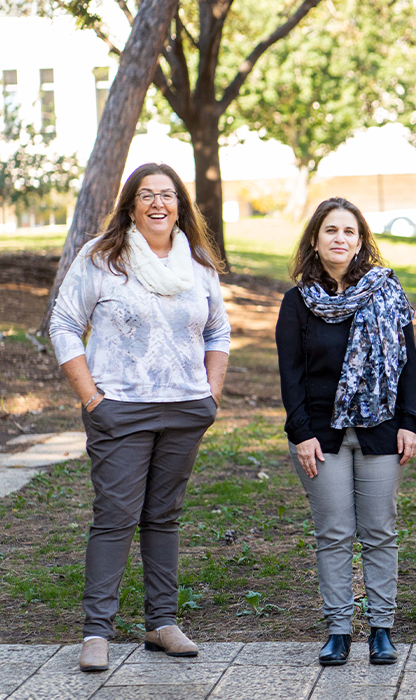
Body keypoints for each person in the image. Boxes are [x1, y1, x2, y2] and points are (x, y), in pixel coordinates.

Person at [49, 163, 229, 671]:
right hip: (119, 410)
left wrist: (210, 394)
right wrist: (91, 398)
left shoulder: (197, 262)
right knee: (115, 517)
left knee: (163, 517)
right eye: (147, 195)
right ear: (131, 205)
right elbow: (64, 324)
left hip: (184, 409)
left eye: (167, 195)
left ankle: (162, 622)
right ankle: (96, 632)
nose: (158, 204)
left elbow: (218, 331)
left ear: (180, 206)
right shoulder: (102, 257)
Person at [276, 198, 416, 666]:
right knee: (335, 532)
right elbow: (291, 375)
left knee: (379, 530)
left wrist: (411, 421)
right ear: (315, 240)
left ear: (361, 242)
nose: (340, 238)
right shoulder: (298, 302)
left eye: (349, 232)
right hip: (321, 435)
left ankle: (381, 628)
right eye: (331, 231)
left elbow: (408, 362)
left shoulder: (386, 291)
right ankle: (339, 630)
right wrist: (301, 433)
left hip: (382, 429)